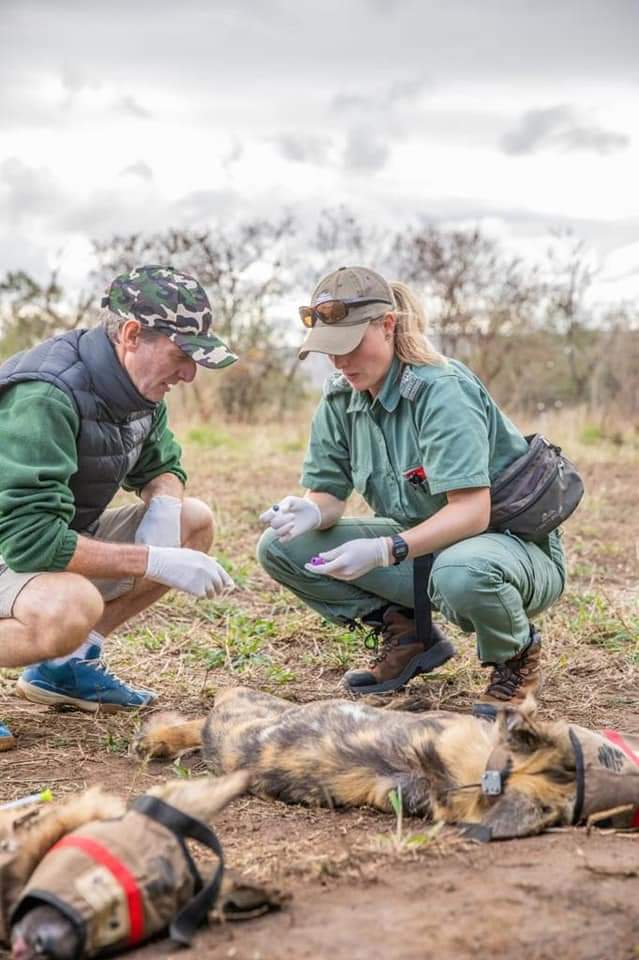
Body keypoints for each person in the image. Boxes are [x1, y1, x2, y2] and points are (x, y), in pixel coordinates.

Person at [258, 265, 566, 705]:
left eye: (350, 346)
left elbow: (472, 512)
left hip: (506, 551)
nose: (341, 362)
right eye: (330, 350)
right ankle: (409, 636)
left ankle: (516, 658)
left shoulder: (441, 391)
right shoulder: (341, 396)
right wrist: (309, 510)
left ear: (387, 326)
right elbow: (328, 494)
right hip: (425, 551)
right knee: (281, 547)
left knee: (462, 571)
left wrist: (385, 550)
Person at [0, 265, 237, 751]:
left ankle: (67, 669)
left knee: (194, 522)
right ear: (132, 335)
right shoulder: (47, 394)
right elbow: (30, 540)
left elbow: (163, 464)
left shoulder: (138, 389)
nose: (189, 374)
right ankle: (64, 644)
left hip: (38, 539)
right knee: (70, 606)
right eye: (181, 356)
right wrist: (153, 560)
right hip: (14, 542)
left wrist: (164, 506)